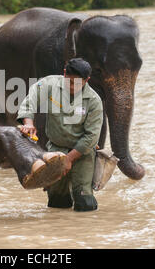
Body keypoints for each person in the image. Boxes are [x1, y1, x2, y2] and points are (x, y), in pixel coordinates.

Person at [17, 58, 103, 211]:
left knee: (84, 201)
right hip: (56, 151)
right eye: (69, 82)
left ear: (87, 80)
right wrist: (28, 123)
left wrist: (69, 159)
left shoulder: (94, 101)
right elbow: (31, 99)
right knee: (57, 200)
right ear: (64, 74)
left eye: (78, 84)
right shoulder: (49, 84)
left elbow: (91, 136)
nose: (72, 87)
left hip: (82, 153)